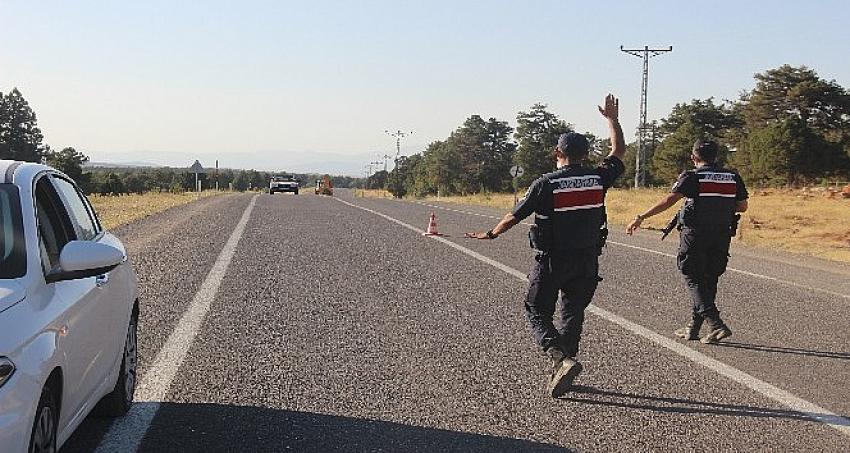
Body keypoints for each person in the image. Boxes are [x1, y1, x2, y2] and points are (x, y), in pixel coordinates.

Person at [466, 94, 625, 397]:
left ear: (557, 152)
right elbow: (618, 150)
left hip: (553, 260)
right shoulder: (598, 177)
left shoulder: (546, 183)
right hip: (588, 260)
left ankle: (559, 358)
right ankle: (564, 365)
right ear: (586, 153)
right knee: (573, 312)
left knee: (536, 308)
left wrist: (491, 233)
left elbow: (514, 216)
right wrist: (612, 120)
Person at [626, 140, 749, 344]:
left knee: (692, 275)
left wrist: (641, 217)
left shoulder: (692, 176)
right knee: (709, 280)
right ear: (716, 157)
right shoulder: (732, 177)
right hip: (721, 234)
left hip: (695, 234)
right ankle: (694, 328)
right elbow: (742, 207)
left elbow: (669, 200)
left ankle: (716, 323)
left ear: (694, 157)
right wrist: (718, 207)